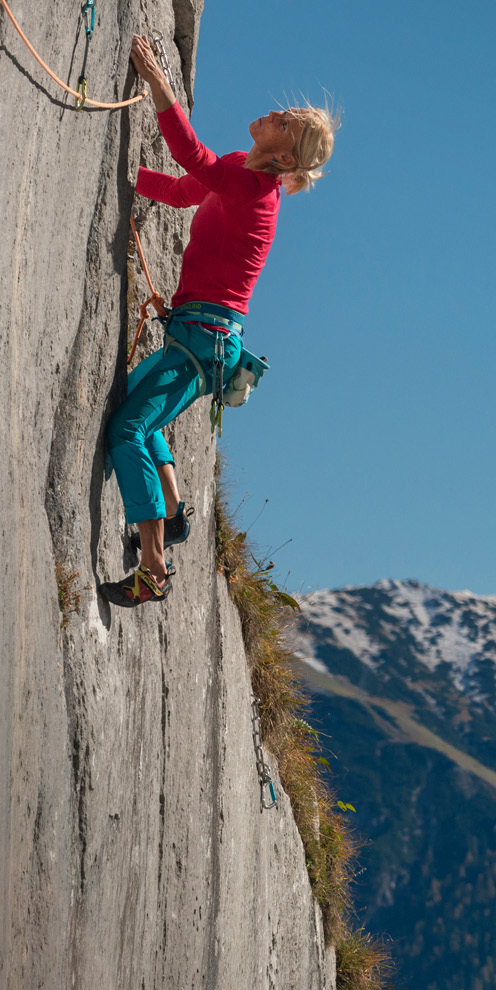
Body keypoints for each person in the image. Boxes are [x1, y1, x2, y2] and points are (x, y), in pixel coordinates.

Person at [98, 34, 337, 608]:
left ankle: (154, 565)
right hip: (198, 333)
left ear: (284, 157)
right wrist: (125, 177)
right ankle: (174, 510)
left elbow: (191, 159)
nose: (277, 112)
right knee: (140, 409)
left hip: (204, 339)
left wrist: (158, 82)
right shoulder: (240, 172)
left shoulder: (256, 189)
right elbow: (185, 189)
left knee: (128, 428)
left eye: (288, 121)